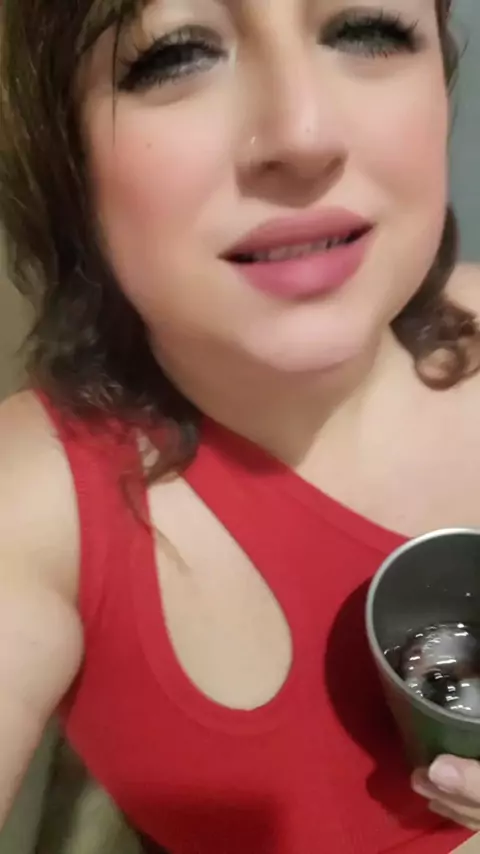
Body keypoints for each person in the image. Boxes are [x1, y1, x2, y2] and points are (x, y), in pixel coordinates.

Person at [1, 0, 480, 851]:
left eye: (368, 29)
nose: (303, 135)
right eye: (175, 55)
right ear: (63, 153)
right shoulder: (32, 507)